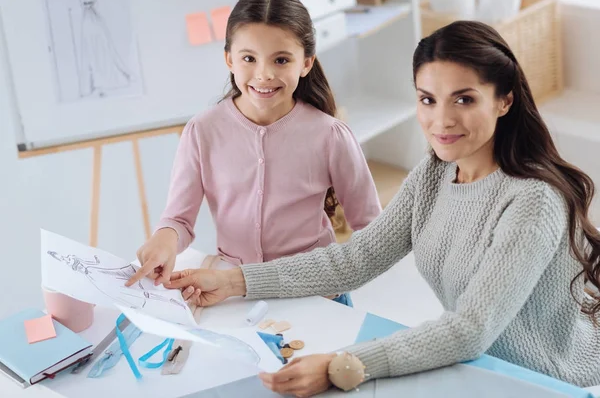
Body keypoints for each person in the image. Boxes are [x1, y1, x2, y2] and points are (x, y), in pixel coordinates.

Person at [163, 20, 600, 397]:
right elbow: (354, 259)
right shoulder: (435, 173)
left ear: (504, 101)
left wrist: (342, 364)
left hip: (551, 381)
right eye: (428, 99)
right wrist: (233, 281)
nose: (441, 120)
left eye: (463, 99)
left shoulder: (533, 201)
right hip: (481, 365)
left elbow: (470, 329)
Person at [125, 0, 382, 309]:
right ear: (229, 59)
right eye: (249, 58)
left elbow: (371, 228)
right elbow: (179, 218)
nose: (263, 75)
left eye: (281, 60)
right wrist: (163, 241)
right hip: (231, 292)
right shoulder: (203, 131)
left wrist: (337, 273)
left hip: (316, 296)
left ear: (306, 63)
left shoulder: (330, 135)